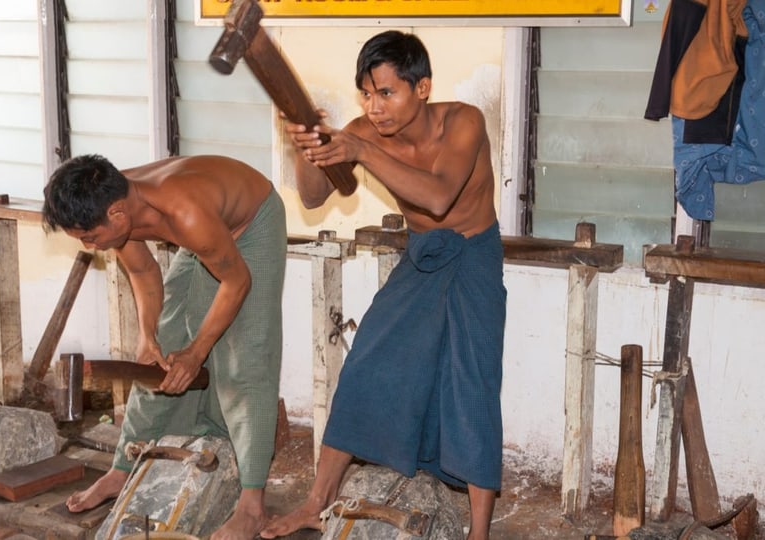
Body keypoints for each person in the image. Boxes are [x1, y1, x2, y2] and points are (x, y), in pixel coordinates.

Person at [261, 30, 505, 540]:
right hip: (421, 256)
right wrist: (310, 151)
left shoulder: (464, 121)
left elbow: (438, 198)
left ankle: (479, 532)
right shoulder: (361, 133)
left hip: (473, 254)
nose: (374, 108)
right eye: (367, 95)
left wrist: (360, 151)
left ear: (422, 88)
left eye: (386, 93)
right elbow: (311, 197)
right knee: (367, 359)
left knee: (471, 383)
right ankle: (315, 501)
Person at [42, 154, 286, 540]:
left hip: (251, 222)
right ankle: (122, 469)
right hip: (206, 228)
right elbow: (142, 269)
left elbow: (237, 282)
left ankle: (252, 506)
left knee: (245, 355)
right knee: (160, 353)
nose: (90, 246)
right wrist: (148, 336)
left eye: (90, 237)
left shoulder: (182, 212)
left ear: (118, 214)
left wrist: (197, 352)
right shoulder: (116, 202)